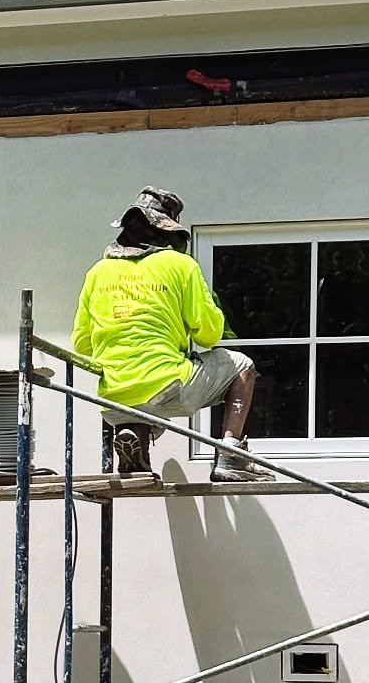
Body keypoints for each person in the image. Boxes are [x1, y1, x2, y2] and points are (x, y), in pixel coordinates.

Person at [71, 187, 261, 482]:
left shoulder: (97, 273)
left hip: (113, 398)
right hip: (169, 386)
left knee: (140, 396)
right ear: (167, 232)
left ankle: (134, 436)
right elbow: (209, 335)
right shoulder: (180, 265)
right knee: (242, 366)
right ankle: (230, 455)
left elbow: (82, 343)